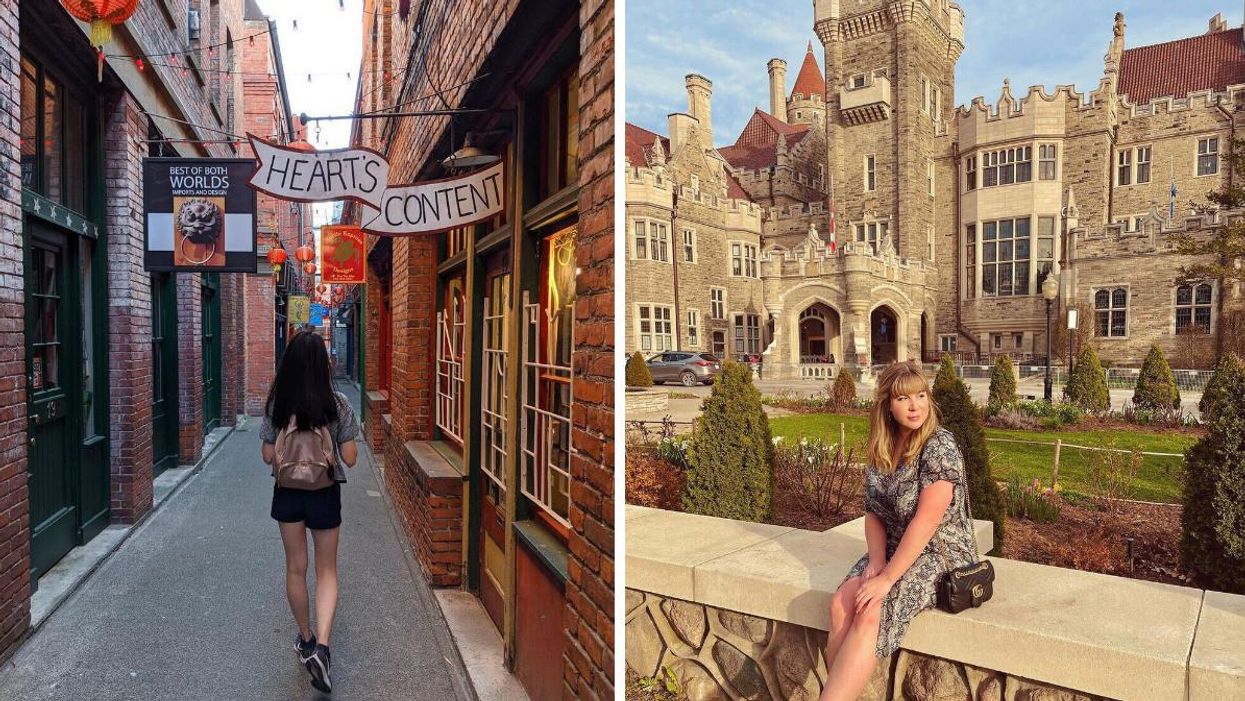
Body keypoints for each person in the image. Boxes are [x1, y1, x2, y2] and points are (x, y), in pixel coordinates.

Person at [820, 361, 979, 701]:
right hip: (893, 546)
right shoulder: (884, 445)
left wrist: (886, 578)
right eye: (904, 398)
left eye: (921, 395)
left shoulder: (939, 446)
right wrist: (876, 562)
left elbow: (926, 521)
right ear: (887, 405)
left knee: (870, 610)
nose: (915, 406)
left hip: (940, 553)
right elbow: (874, 512)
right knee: (842, 603)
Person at [260, 330, 360, 693]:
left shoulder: (277, 403)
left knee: (295, 568)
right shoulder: (338, 404)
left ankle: (305, 640)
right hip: (325, 492)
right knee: (327, 569)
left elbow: (269, 457)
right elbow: (350, 458)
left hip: (288, 493)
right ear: (324, 365)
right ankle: (324, 648)